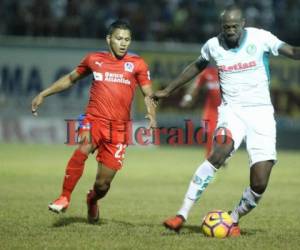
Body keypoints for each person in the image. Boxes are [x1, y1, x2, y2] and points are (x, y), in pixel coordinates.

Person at [153, 5, 300, 235]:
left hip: (261, 115)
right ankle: (181, 213)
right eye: (226, 27)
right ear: (221, 26)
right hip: (232, 112)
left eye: (234, 27)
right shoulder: (213, 45)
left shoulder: (261, 38)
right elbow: (196, 66)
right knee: (218, 152)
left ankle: (232, 219)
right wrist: (169, 90)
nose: (230, 31)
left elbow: (291, 51)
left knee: (260, 182)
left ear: (243, 24)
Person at [31, 20, 156, 223]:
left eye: (127, 39)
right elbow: (70, 79)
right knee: (82, 148)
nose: (123, 43)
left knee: (103, 185)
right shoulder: (94, 59)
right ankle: (64, 197)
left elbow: (148, 93)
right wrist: (44, 94)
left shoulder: (137, 64)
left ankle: (92, 200)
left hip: (119, 129)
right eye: (119, 38)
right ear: (109, 39)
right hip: (93, 119)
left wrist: (152, 113)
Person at [179, 67, 220, 157]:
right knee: (210, 132)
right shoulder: (207, 72)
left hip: (227, 109)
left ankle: (222, 155)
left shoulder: (230, 72)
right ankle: (210, 157)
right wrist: (188, 98)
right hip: (211, 110)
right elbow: (196, 86)